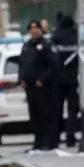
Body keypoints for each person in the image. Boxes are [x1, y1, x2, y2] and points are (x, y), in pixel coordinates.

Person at [18, 20, 57, 153]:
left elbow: (53, 65)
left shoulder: (46, 45)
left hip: (44, 87)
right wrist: (21, 78)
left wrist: (42, 79)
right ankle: (38, 141)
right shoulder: (26, 46)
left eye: (36, 29)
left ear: (41, 30)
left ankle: (49, 142)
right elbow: (22, 64)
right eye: (31, 29)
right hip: (30, 87)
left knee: (46, 114)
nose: (34, 32)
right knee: (34, 116)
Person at [50, 13, 80, 148]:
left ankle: (55, 137)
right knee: (73, 111)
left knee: (57, 110)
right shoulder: (76, 38)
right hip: (73, 79)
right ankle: (70, 137)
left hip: (57, 79)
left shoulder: (55, 38)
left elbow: (51, 58)